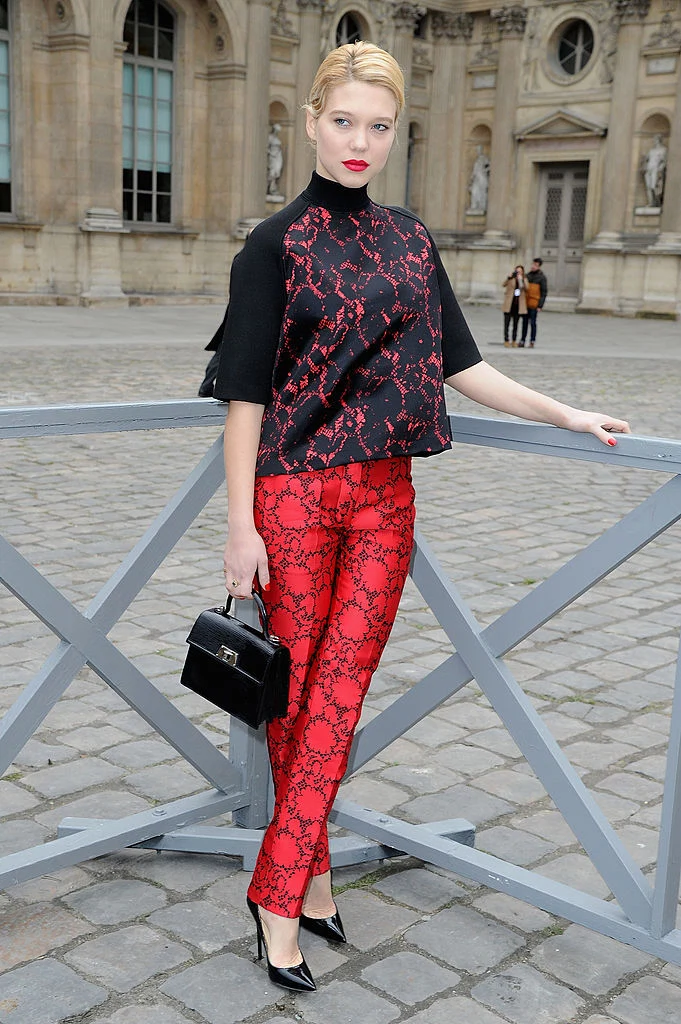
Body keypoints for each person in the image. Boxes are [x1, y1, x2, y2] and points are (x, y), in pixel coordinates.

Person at [212, 41, 630, 993]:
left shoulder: (409, 239)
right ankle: (298, 883)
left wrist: (563, 411)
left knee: (337, 699)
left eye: (380, 125)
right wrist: (239, 525)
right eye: (344, 121)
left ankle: (282, 881)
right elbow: (242, 397)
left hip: (385, 501)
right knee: (294, 706)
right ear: (311, 122)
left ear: (395, 134)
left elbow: (461, 364)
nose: (361, 141)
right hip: (292, 498)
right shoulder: (272, 245)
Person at [521, 257, 548, 348]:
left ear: (539, 266)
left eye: (535, 265)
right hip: (526, 302)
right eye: (533, 264)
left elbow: (544, 292)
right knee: (524, 322)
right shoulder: (528, 275)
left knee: (532, 323)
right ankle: (522, 340)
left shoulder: (541, 278)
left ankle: (532, 340)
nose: (533, 266)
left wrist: (540, 305)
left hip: (534, 303)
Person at [502, 265, 527, 347]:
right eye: (517, 271)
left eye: (520, 271)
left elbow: (526, 288)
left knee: (516, 325)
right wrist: (508, 277)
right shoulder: (511, 278)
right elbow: (503, 284)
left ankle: (514, 340)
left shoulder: (524, 279)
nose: (518, 273)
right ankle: (506, 340)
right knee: (507, 324)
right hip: (509, 305)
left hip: (518, 306)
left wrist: (520, 279)